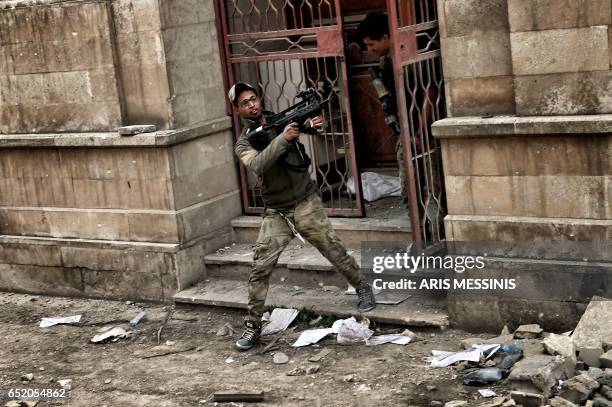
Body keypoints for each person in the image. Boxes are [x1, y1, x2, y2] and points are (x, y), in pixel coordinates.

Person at [230, 82, 376, 351]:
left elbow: (309, 127)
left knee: (333, 249)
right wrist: (283, 139)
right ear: (237, 109)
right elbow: (257, 164)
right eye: (245, 103)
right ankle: (253, 326)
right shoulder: (244, 142)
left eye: (253, 99)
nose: (252, 105)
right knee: (260, 267)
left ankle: (361, 286)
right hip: (276, 211)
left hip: (305, 201)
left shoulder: (280, 119)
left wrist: (313, 124)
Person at [358, 12, 442, 239]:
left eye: (371, 44)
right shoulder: (387, 62)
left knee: (434, 188)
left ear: (386, 36)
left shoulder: (410, 57)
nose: (370, 50)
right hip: (406, 134)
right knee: (409, 189)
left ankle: (440, 235)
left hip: (424, 134)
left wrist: (419, 132)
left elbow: (430, 94)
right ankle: (421, 235)